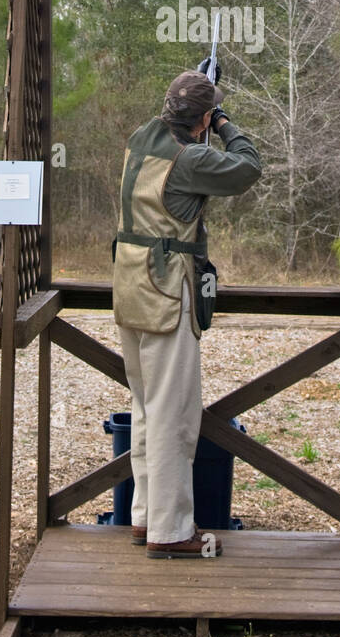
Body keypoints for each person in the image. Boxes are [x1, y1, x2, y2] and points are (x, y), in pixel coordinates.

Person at [112, 68, 261, 558]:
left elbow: (172, 121)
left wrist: (196, 90)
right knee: (174, 415)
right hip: (167, 291)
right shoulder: (191, 157)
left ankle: (143, 519)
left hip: (130, 286)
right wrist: (224, 120)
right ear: (200, 121)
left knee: (145, 407)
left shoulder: (141, 137)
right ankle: (172, 531)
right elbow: (247, 167)